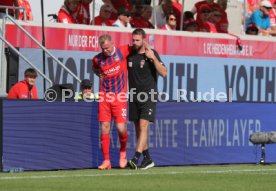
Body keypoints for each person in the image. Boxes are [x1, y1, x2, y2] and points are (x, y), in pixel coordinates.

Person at [127, 28, 167, 170]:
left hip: (148, 95)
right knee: (138, 129)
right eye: (133, 40)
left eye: (137, 40)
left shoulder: (151, 54)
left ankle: (136, 157)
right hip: (133, 96)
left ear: (144, 39)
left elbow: (164, 73)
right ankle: (148, 159)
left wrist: (153, 58)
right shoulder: (130, 55)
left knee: (144, 125)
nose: (135, 42)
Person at [92, 34, 131, 170]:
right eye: (103, 49)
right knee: (104, 128)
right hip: (104, 96)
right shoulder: (98, 59)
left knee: (121, 129)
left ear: (113, 43)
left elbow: (138, 46)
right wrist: (98, 74)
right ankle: (106, 160)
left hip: (119, 96)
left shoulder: (123, 50)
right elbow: (94, 67)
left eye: (107, 48)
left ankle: (123, 152)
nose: (105, 51)